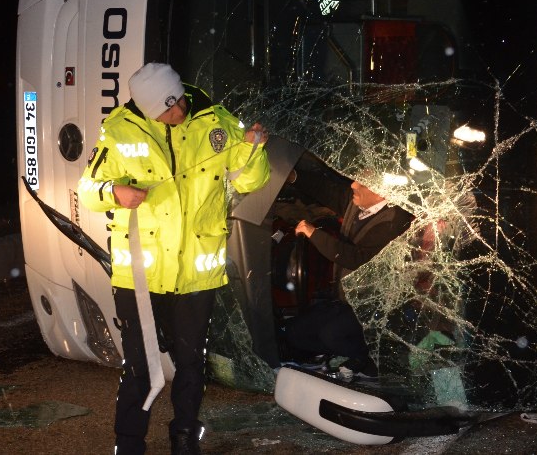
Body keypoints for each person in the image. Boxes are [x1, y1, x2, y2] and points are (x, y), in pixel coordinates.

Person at [79, 62, 270, 455]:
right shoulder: (118, 130)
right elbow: (86, 190)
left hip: (197, 274)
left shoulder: (215, 121)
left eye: (178, 101)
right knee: (139, 366)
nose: (178, 112)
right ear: (148, 110)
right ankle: (129, 442)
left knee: (191, 364)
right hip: (140, 277)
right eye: (167, 109)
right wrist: (115, 193)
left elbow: (251, 180)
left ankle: (185, 435)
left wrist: (253, 149)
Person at [286, 175, 413, 379]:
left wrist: (314, 234)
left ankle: (368, 358)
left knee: (331, 334)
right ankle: (341, 353)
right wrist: (294, 176)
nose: (353, 184)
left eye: (362, 182)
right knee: (295, 332)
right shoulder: (357, 202)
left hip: (372, 304)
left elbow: (357, 259)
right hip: (344, 298)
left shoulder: (393, 221)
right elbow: (324, 187)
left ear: (380, 192)